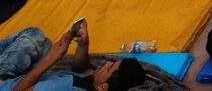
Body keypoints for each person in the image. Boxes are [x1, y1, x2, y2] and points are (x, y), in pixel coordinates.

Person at [0, 22, 145, 91]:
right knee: (45, 44)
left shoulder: (63, 87)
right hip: (26, 78)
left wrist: (52, 58)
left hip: (7, 85)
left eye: (109, 68)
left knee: (34, 35)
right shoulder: (95, 84)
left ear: (103, 87)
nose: (107, 62)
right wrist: (83, 44)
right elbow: (83, 70)